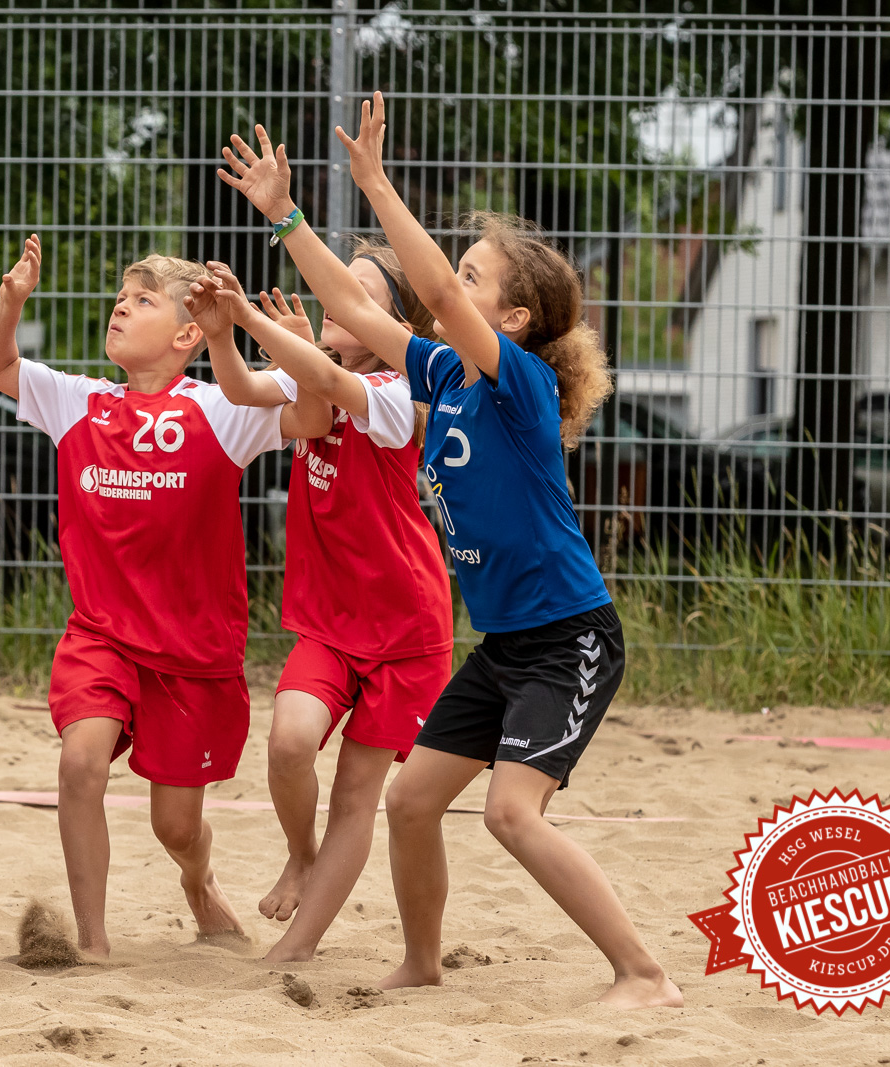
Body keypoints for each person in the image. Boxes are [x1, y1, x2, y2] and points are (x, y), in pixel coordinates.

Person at [218, 104, 682, 1008]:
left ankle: (644, 972)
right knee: (410, 800)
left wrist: (375, 183)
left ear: (513, 316)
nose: (450, 287)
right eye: (458, 271)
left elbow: (426, 288)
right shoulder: (439, 376)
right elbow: (354, 306)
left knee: (511, 812)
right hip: (506, 645)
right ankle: (423, 961)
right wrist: (284, 217)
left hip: (570, 640)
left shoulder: (520, 385)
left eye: (472, 277)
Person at [0, 235, 330, 957]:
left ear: (187, 334)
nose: (121, 307)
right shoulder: (79, 401)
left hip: (193, 653)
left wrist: (291, 351)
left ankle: (199, 879)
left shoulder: (222, 405)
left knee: (176, 826)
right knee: (80, 762)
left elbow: (314, 420)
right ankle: (94, 942)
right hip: (100, 635)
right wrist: (10, 303)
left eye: (142, 300)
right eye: (120, 297)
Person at [182, 254, 452, 964]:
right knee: (289, 743)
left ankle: (296, 949)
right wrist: (223, 334)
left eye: (356, 291)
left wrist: (255, 320)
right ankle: (300, 854)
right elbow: (243, 388)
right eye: (334, 283)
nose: (333, 296)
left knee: (359, 796)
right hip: (331, 620)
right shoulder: (318, 368)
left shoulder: (397, 391)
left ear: (395, 323)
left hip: (405, 628)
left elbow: (330, 387)